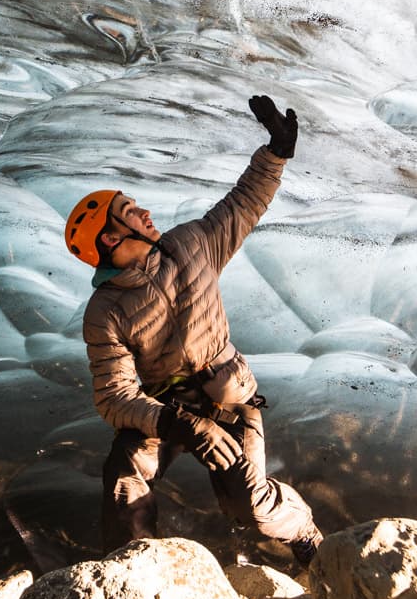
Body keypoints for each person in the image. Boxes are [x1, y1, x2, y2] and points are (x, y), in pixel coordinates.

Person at [64, 95, 323, 565]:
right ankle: (136, 571)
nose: (144, 214)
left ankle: (306, 535)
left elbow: (242, 205)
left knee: (251, 506)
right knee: (125, 473)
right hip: (166, 411)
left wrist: (276, 152)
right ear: (111, 239)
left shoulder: (191, 243)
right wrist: (181, 422)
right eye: (130, 211)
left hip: (227, 399)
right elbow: (114, 397)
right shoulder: (104, 312)